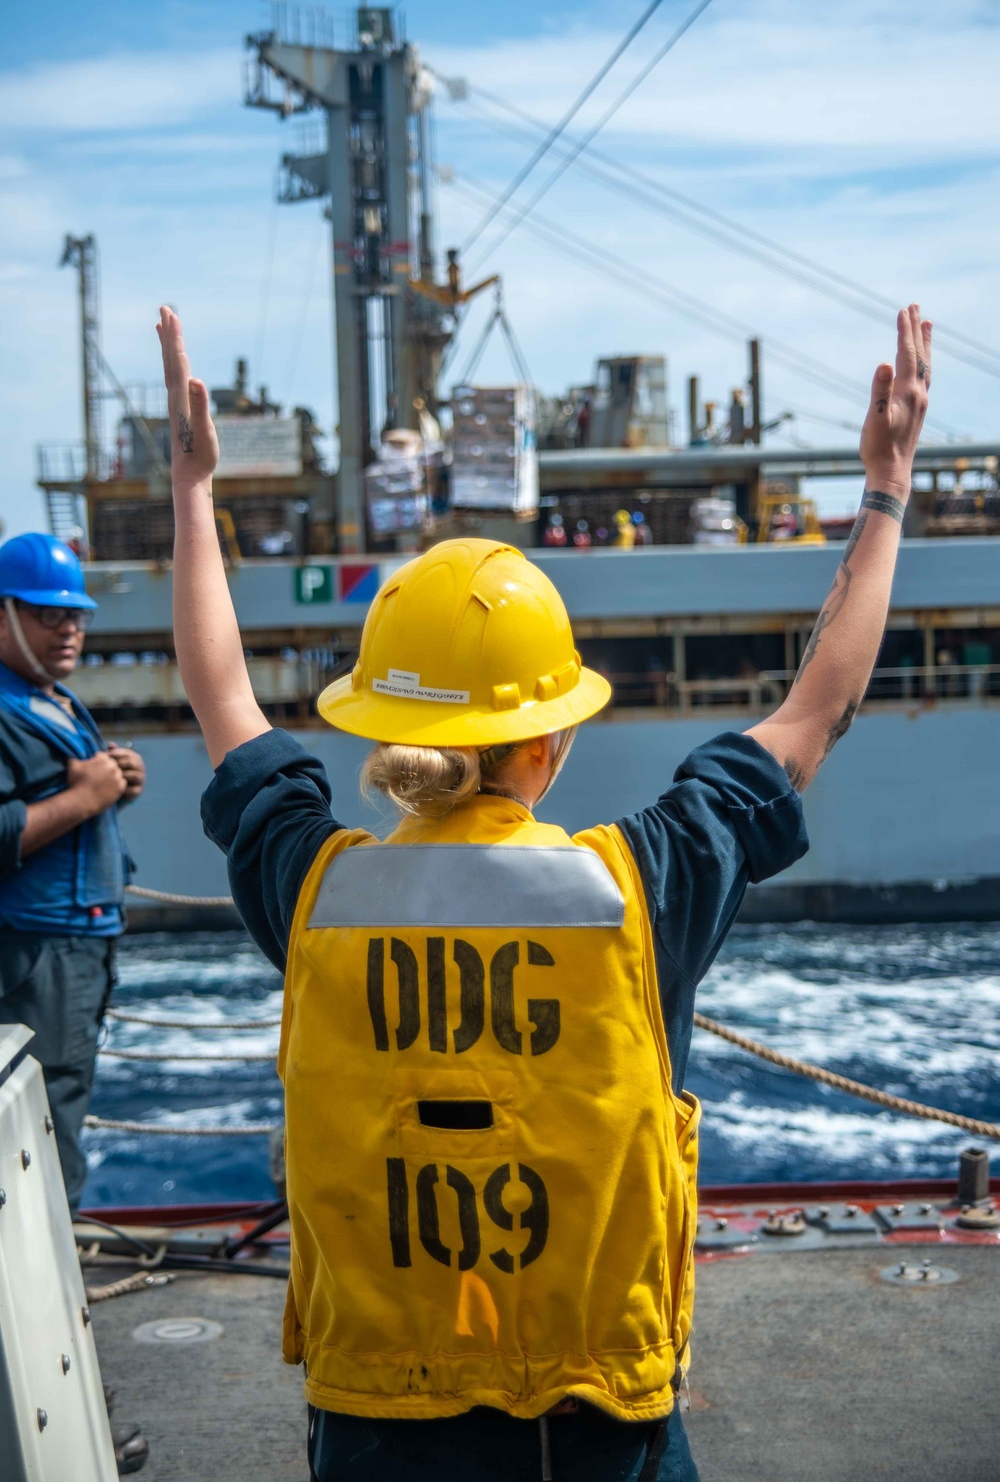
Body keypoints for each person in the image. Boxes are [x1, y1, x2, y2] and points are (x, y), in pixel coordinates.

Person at [158, 301, 930, 1482]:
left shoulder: (315, 889)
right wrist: (884, 490)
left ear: (379, 727)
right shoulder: (640, 884)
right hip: (596, 1424)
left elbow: (223, 701)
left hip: (378, 1417)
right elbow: (812, 710)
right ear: (549, 743)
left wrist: (194, 493)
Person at [0, 533, 148, 1475]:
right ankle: (57, 1401)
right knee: (44, 1180)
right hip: (38, 959)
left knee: (57, 1163)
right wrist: (91, 794)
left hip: (74, 953)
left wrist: (108, 784)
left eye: (77, 613)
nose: (70, 628)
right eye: (50, 612)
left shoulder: (46, 701)